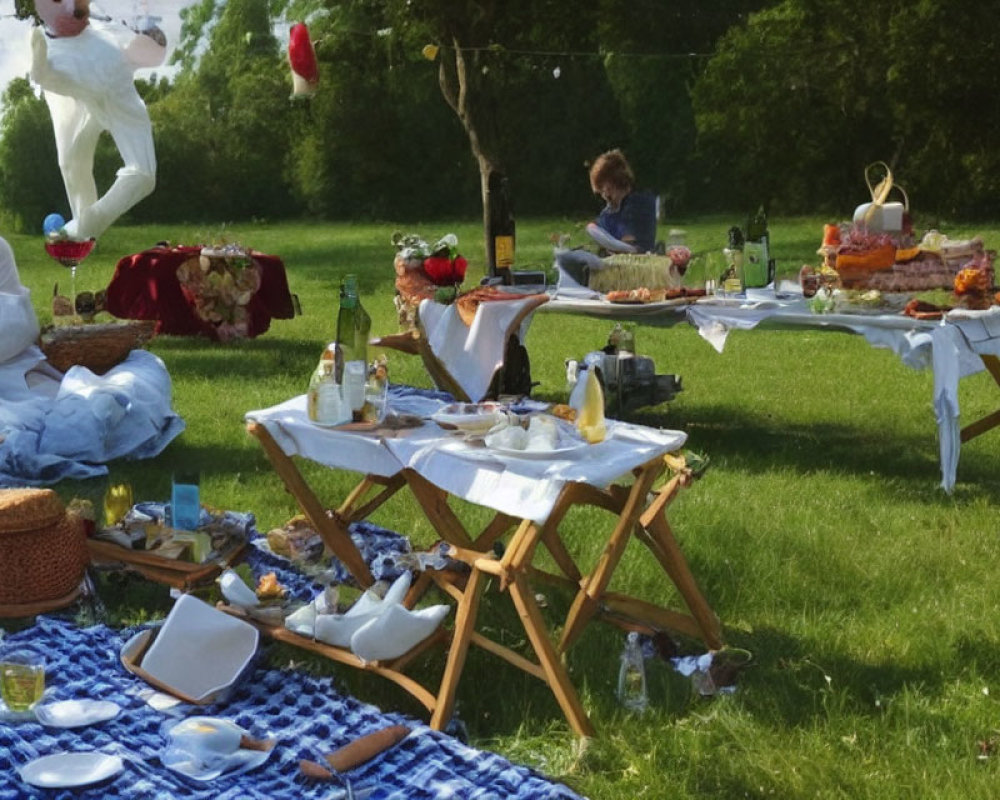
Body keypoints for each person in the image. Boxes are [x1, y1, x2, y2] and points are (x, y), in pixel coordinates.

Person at [586, 149, 658, 255]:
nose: (604, 195)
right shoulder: (610, 211)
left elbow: (631, 244)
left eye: (605, 188)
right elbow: (597, 226)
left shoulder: (639, 202)